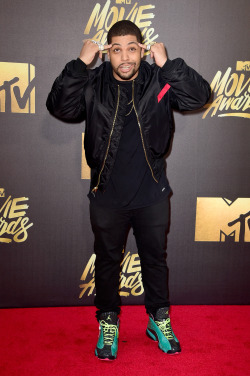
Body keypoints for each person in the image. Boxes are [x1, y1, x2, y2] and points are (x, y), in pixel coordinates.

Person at [46, 20, 210, 360]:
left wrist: (169, 64)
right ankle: (108, 322)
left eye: (132, 49)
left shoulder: (159, 79)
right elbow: (60, 107)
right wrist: (80, 64)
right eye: (117, 49)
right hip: (107, 195)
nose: (125, 57)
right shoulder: (92, 82)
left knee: (155, 260)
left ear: (143, 48)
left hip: (151, 192)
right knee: (107, 261)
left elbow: (199, 96)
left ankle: (158, 319)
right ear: (107, 52)